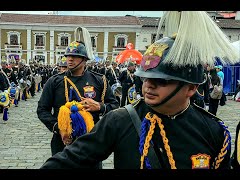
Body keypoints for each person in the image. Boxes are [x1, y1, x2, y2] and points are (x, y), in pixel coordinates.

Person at [40, 11, 239, 169]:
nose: (148, 85)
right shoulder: (120, 120)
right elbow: (71, 158)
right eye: (145, 77)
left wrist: (99, 106)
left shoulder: (213, 131)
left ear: (191, 88)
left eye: (162, 81)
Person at [37, 27, 119, 158]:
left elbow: (115, 106)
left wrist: (99, 106)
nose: (70, 59)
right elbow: (42, 110)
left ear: (84, 59)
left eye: (75, 56)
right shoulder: (54, 81)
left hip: (91, 141)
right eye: (68, 56)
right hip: (62, 141)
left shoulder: (99, 80)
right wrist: (60, 128)